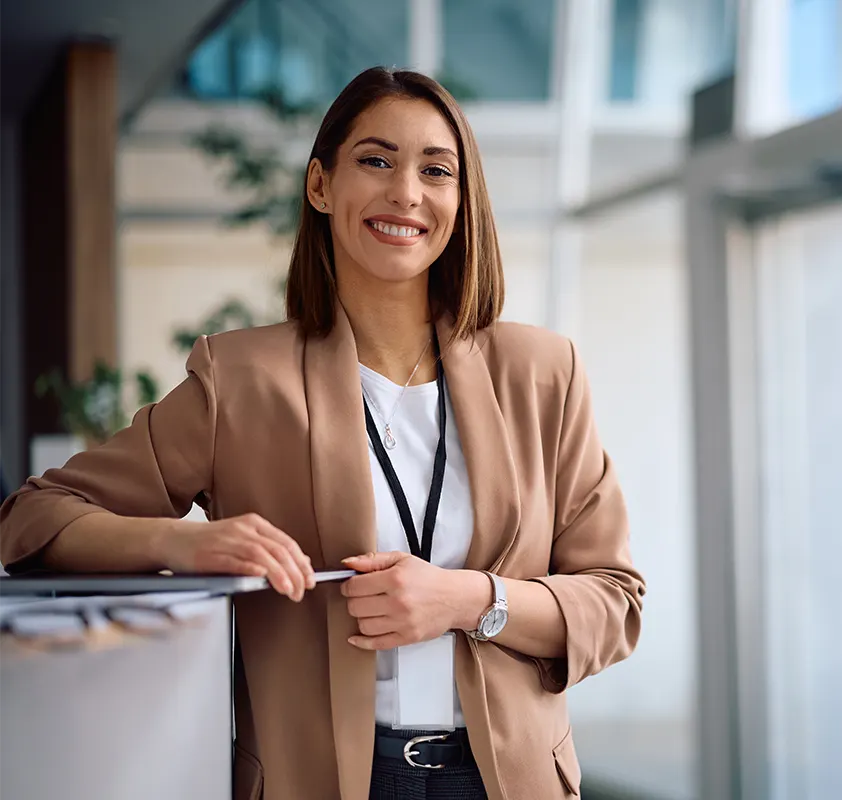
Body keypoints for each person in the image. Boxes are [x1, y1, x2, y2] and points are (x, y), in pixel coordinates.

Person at [0, 67, 644, 800]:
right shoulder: (239, 378)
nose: (406, 191)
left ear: (461, 203)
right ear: (320, 185)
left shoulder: (543, 372)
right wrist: (188, 544)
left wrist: (471, 599)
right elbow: (32, 516)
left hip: (509, 780)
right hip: (319, 781)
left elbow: (614, 601)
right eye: (376, 160)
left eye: (436, 170)